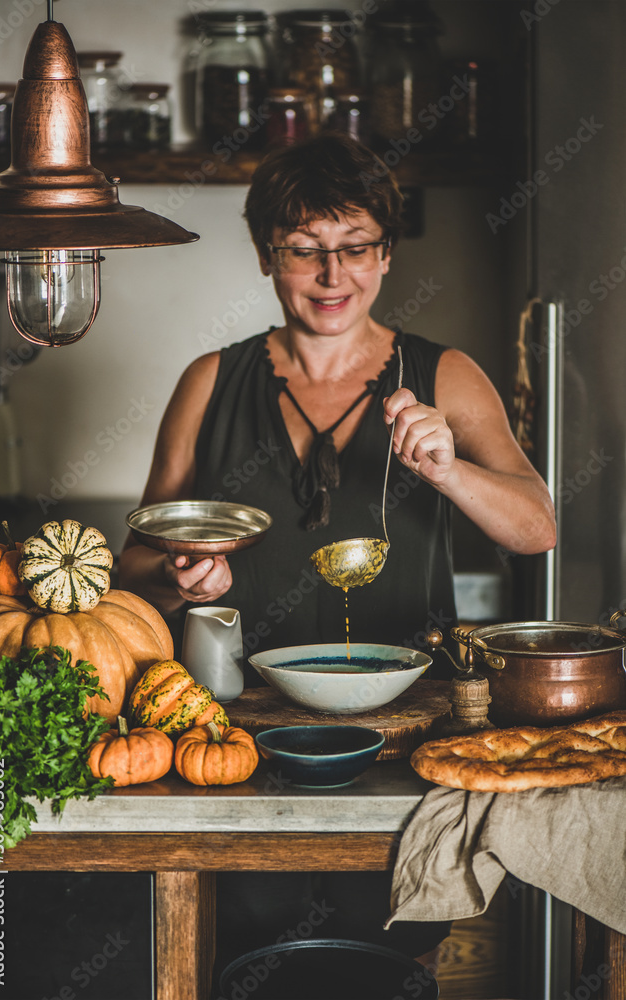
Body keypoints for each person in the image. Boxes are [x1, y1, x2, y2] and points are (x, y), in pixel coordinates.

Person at [119, 132, 556, 974]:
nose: (331, 276)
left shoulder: (446, 375)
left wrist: (449, 469)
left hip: (406, 745)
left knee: (389, 962)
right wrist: (178, 578)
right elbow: (131, 570)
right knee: (243, 958)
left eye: (354, 247)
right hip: (235, 743)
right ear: (264, 256)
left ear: (386, 255)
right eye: (304, 251)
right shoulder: (210, 381)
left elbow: (534, 525)